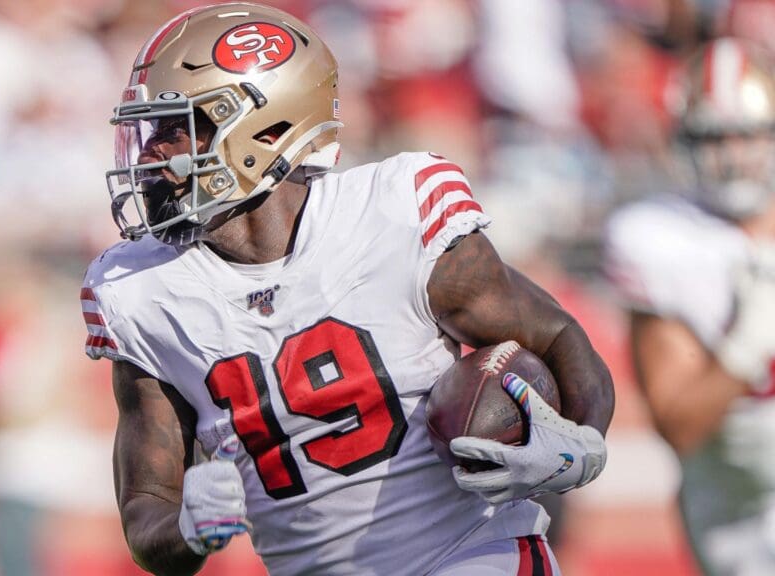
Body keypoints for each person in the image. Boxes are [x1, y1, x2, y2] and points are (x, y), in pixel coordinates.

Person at [82, 4, 614, 575]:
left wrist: (579, 444)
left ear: (266, 130)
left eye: (176, 127)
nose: (151, 154)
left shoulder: (395, 213)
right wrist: (188, 527)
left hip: (469, 555)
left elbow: (556, 336)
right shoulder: (139, 292)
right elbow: (146, 511)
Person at [605, 38, 775, 576]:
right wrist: (748, 340)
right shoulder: (659, 237)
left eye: (746, 135)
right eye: (712, 138)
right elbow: (679, 423)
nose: (731, 155)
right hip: (741, 513)